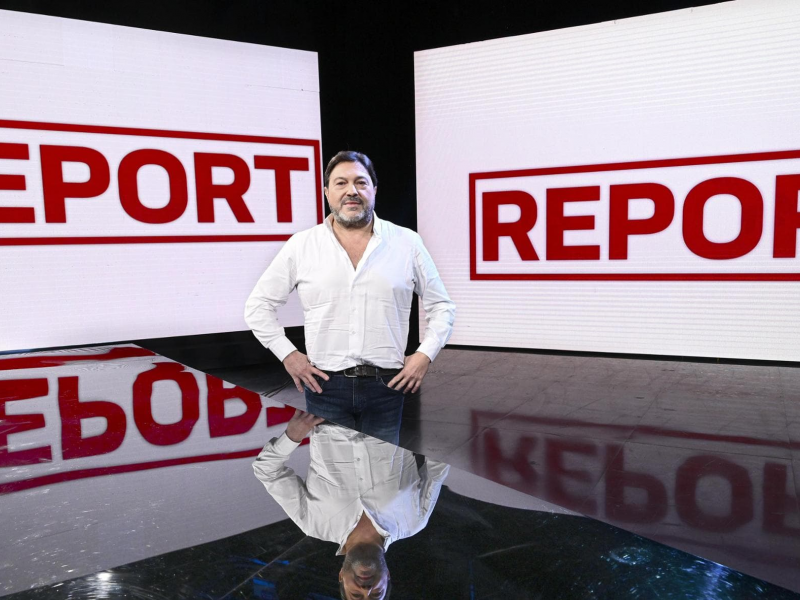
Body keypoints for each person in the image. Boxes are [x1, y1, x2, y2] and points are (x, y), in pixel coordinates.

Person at [245, 150, 456, 444]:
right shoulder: (302, 245)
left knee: (383, 471)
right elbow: (258, 307)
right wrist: (288, 355)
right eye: (341, 183)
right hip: (324, 385)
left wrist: (424, 355)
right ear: (327, 192)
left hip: (388, 385)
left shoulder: (407, 242)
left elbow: (442, 306)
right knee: (331, 472)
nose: (351, 191)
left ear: (374, 190)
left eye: (361, 182)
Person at [253, 410, 450, 600]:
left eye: (356, 596)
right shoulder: (413, 522)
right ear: (388, 576)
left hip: (329, 408)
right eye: (376, 595)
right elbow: (438, 466)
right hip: (391, 408)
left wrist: (292, 436)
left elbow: (267, 471)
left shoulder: (314, 524)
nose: (366, 589)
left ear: (341, 576)